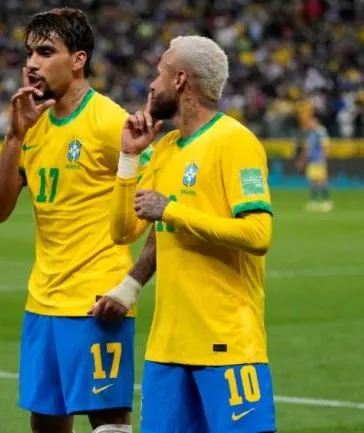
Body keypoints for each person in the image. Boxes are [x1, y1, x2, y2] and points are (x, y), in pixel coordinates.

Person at [109, 35, 277, 433]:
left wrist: (172, 211)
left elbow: (258, 233)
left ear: (180, 80)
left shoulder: (235, 141)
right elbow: (122, 230)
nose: (151, 84)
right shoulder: (165, 148)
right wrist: (129, 157)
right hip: (166, 348)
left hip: (227, 346)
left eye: (159, 74)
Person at [0, 8, 140, 433]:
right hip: (42, 300)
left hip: (96, 300)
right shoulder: (31, 125)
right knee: (46, 422)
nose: (32, 63)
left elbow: (150, 207)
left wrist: (128, 287)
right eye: (29, 53)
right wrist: (14, 136)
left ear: (78, 59)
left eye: (46, 52)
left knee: (108, 420)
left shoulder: (109, 121)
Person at [296, 116, 332, 212]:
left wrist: (323, 158)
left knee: (321, 181)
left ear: (316, 122)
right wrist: (301, 160)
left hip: (319, 160)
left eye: (311, 122)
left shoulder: (320, 131)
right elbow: (307, 149)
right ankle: (314, 202)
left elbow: (325, 146)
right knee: (313, 182)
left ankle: (327, 202)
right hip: (311, 161)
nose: (310, 124)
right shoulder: (310, 133)